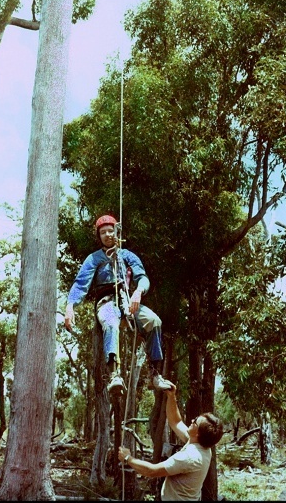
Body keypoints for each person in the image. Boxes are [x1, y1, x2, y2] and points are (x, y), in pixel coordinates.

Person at [64, 214, 172, 395]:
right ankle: (113, 374)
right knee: (111, 323)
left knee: (154, 321)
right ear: (98, 237)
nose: (107, 235)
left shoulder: (127, 256)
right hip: (107, 302)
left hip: (128, 300)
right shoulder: (94, 259)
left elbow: (142, 278)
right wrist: (70, 306)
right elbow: (80, 284)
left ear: (117, 232)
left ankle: (154, 374)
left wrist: (138, 291)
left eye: (110, 230)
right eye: (103, 232)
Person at [118, 382, 223, 501]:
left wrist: (128, 458)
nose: (192, 420)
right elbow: (176, 422)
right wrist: (171, 396)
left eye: (195, 422)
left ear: (198, 433)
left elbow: (152, 471)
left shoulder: (189, 457)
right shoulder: (201, 444)